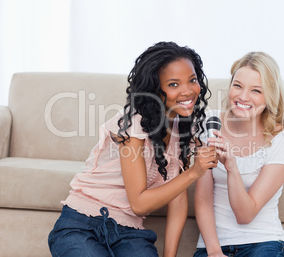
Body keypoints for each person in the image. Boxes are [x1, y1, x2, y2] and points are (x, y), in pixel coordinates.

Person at [48, 41, 218, 257]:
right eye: (174, 84)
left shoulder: (185, 128)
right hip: (82, 224)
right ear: (155, 89)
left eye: (192, 80)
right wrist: (195, 172)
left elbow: (177, 198)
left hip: (129, 233)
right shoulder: (135, 123)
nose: (188, 91)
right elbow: (138, 203)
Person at [194, 52, 284, 257]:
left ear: (270, 97)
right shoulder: (209, 123)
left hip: (263, 243)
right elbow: (203, 199)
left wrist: (232, 167)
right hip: (213, 245)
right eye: (238, 85)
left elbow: (245, 214)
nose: (243, 97)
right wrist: (214, 251)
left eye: (256, 91)